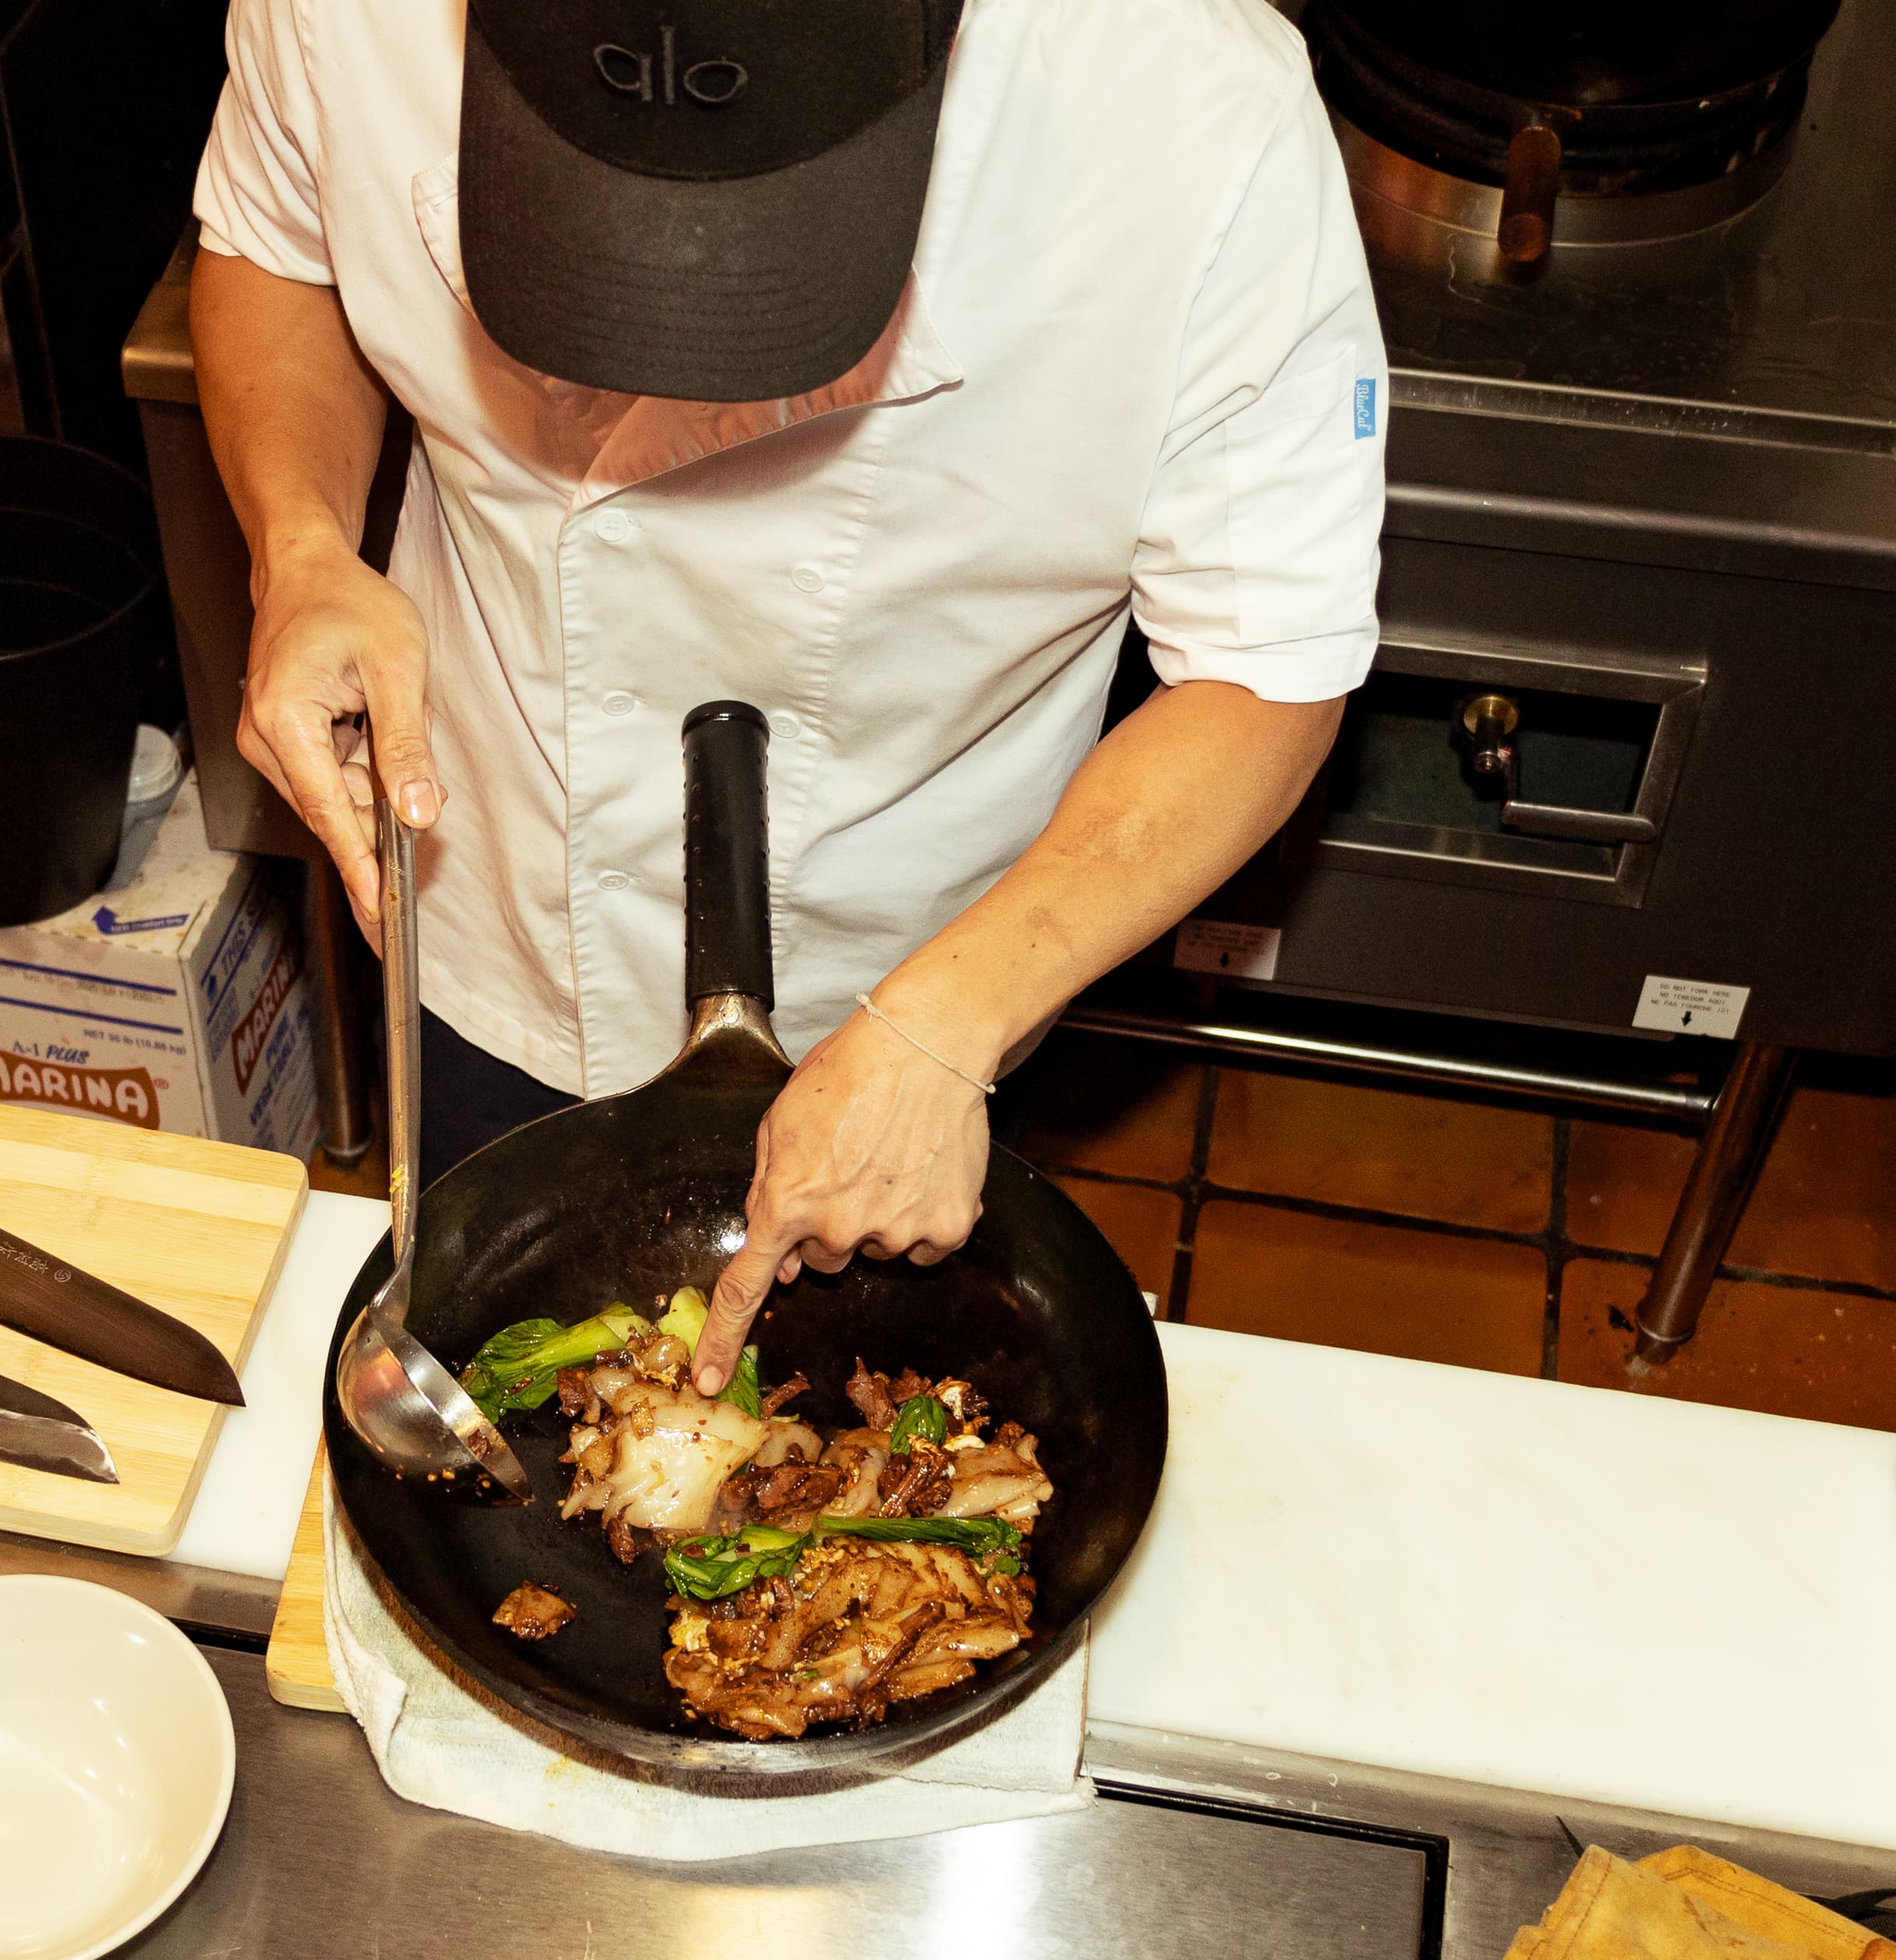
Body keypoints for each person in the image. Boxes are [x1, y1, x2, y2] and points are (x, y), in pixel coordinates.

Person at [189, 0, 1386, 1396]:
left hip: (923, 960)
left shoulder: (1191, 105)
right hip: (486, 871)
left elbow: (1267, 664)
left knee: (889, 1417)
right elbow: (272, 250)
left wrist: (950, 1019)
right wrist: (302, 545)